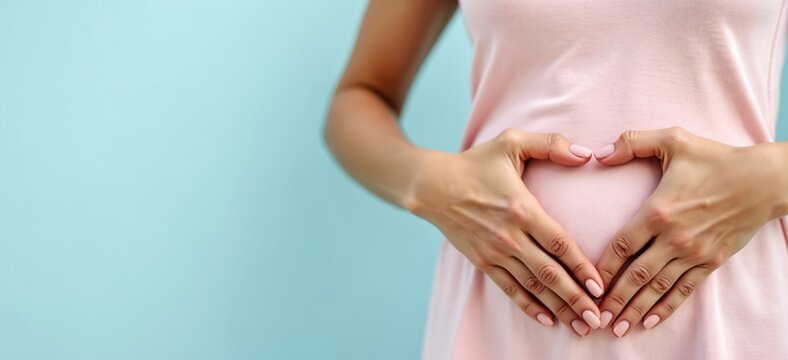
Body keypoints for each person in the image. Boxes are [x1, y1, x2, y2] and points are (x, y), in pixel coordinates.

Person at [323, 1, 788, 359]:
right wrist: (433, 185)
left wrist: (770, 178)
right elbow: (359, 96)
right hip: (507, 312)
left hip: (726, 300)